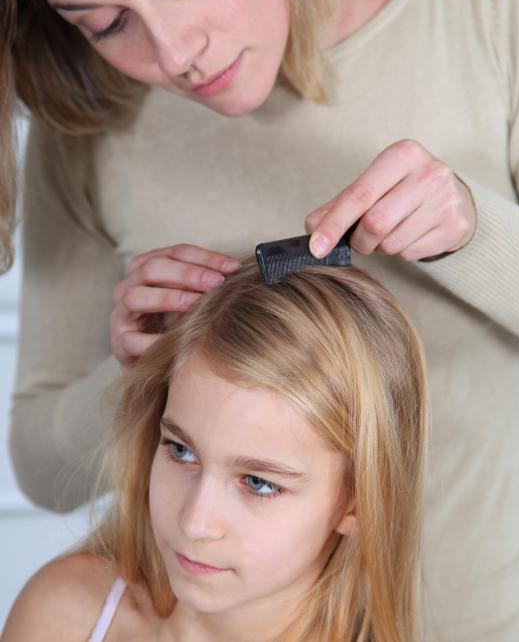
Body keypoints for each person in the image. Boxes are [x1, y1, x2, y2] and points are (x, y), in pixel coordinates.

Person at [0, 0, 519, 639]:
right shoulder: (91, 114)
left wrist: (477, 234)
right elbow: (42, 471)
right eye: (108, 22)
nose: (176, 53)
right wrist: (147, 377)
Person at [1, 261, 428, 642]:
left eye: (259, 483)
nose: (195, 522)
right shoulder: (66, 614)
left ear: (356, 500)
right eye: (181, 451)